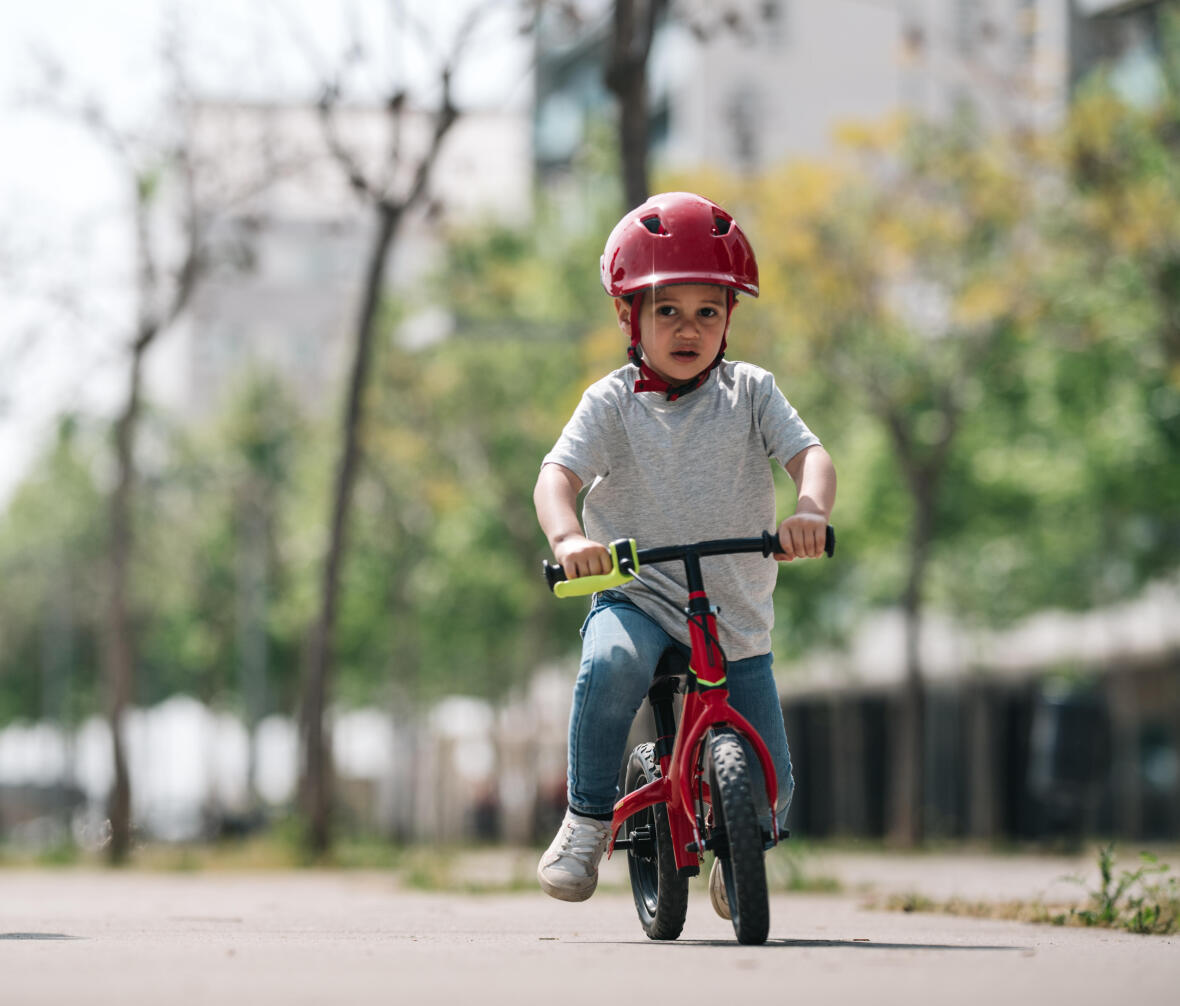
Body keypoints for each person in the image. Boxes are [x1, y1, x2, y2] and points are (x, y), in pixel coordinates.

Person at [533, 192, 836, 916]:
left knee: (776, 786)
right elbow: (557, 477)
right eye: (667, 310)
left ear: (731, 318)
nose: (688, 328)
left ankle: (741, 856)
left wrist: (810, 510)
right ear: (627, 316)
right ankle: (586, 816)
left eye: (709, 311)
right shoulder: (610, 403)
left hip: (733, 610)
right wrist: (570, 539)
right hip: (637, 597)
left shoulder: (752, 393)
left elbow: (811, 455)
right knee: (611, 665)